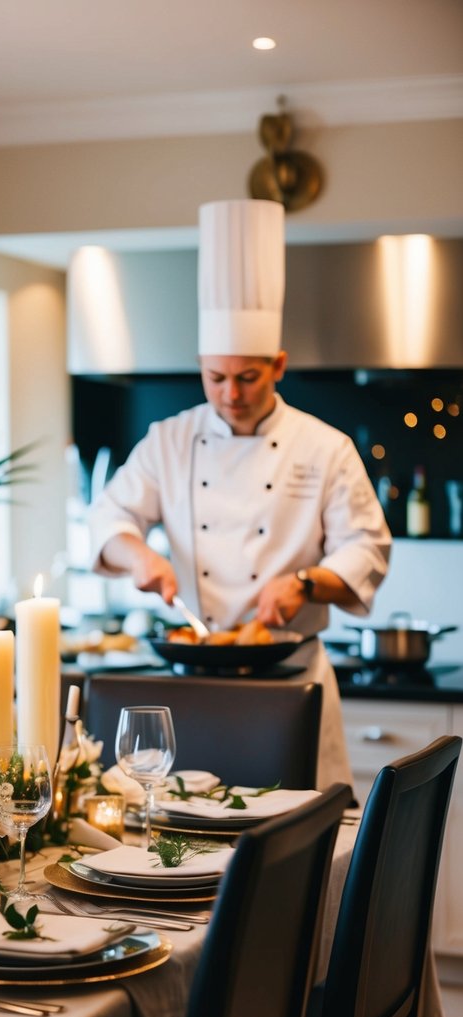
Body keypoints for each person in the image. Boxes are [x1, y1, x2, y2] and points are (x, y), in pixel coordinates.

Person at [89, 199, 391, 789]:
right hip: (196, 681)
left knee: (304, 841)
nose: (230, 393)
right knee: (191, 834)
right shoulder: (170, 440)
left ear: (277, 364)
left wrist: (303, 583)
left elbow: (367, 549)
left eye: (247, 377)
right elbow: (109, 517)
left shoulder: (324, 446)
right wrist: (140, 555)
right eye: (216, 377)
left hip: (293, 677)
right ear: (201, 365)